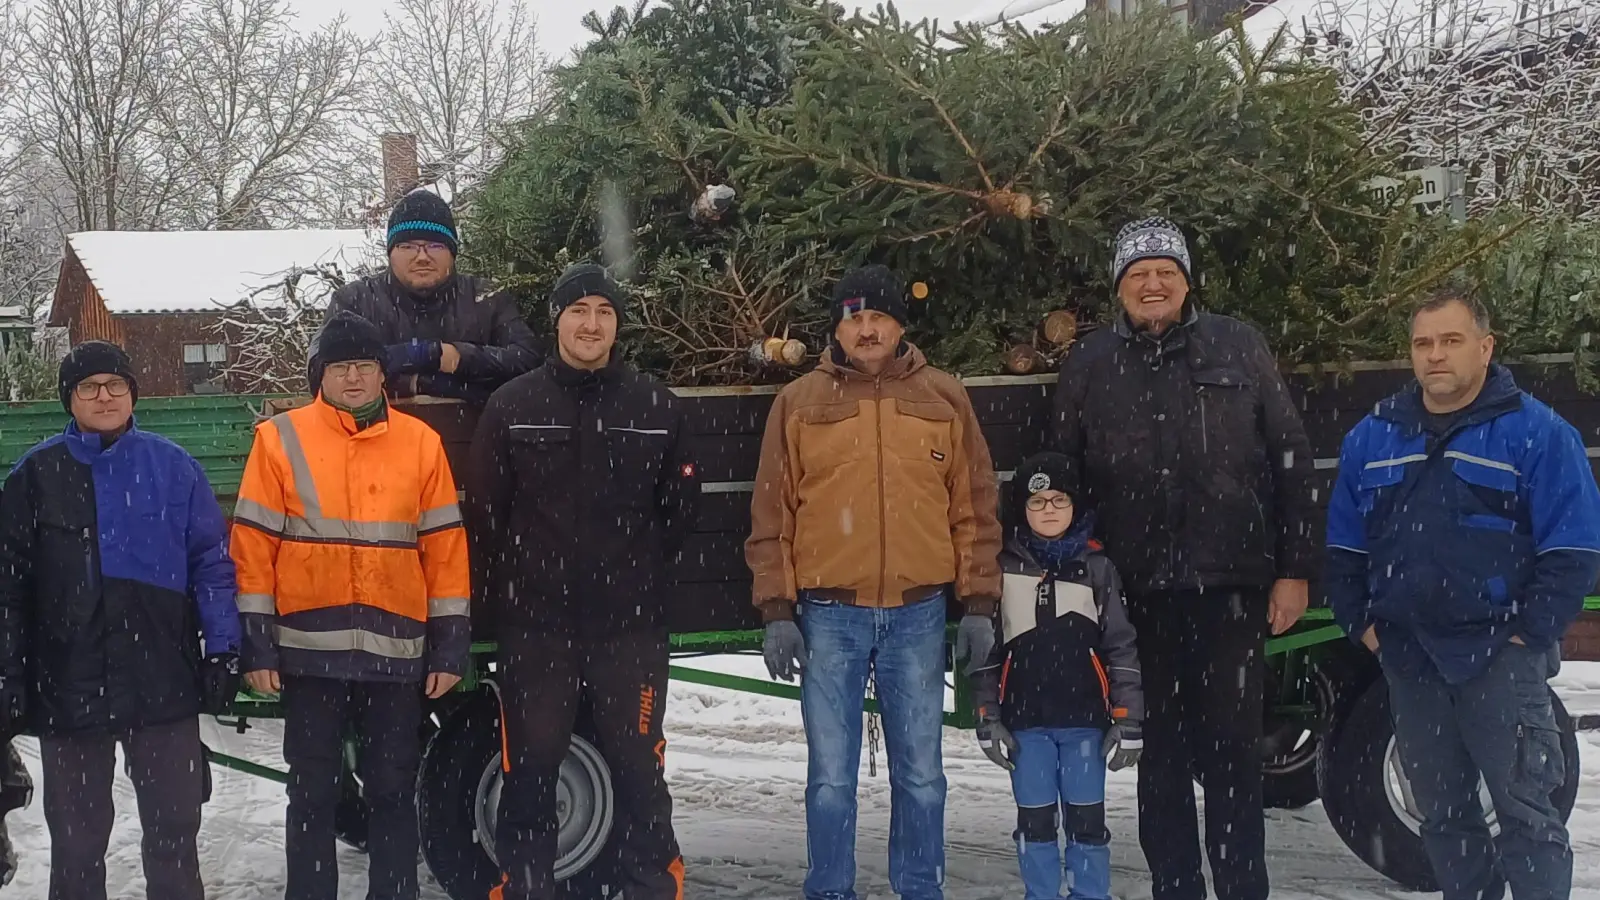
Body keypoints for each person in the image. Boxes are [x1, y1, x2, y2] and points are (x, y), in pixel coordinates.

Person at [1050, 217, 1317, 900]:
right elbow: (1063, 477)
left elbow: (1290, 458)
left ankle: (1240, 886)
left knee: (1233, 751)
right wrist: (1077, 580)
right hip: (1135, 595)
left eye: (1165, 270)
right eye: (1138, 274)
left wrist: (1294, 568)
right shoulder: (1089, 364)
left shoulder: (1238, 345)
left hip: (1230, 586)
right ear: (1120, 288)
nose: (1153, 283)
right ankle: (1176, 886)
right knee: (1158, 756)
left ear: (1187, 280)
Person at [1325, 285, 1600, 900]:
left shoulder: (1537, 434)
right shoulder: (1375, 437)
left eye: (1451, 341)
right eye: (1424, 343)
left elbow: (1574, 548)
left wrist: (1529, 633)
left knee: (1527, 816)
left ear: (1485, 346)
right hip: (1410, 659)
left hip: (1500, 658)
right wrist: (1363, 625)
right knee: (1444, 818)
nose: (1436, 355)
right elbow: (1344, 549)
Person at [746, 264, 1003, 900]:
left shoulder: (943, 397)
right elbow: (772, 513)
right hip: (830, 615)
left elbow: (973, 505)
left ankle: (920, 888)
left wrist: (977, 601)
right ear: (837, 327)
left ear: (899, 325)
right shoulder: (799, 403)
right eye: (854, 318)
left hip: (917, 615)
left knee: (922, 776)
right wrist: (778, 607)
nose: (867, 329)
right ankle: (830, 890)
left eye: (879, 317)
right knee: (831, 777)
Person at [469, 263, 698, 900]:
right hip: (537, 629)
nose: (591, 323)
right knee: (532, 771)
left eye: (603, 311)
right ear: (557, 319)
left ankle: (652, 887)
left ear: (617, 325)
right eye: (578, 310)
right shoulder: (513, 405)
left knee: (639, 769)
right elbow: (487, 513)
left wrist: (634, 578)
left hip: (630, 631)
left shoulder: (655, 405)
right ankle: (526, 888)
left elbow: (679, 509)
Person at [231, 311, 470, 900]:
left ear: (382, 374)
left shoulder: (421, 443)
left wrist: (449, 645)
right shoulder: (279, 438)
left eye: (365, 365)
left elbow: (444, 550)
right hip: (308, 654)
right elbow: (252, 548)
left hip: (395, 652)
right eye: (341, 367)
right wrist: (258, 642)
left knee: (392, 788)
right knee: (312, 791)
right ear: (321, 375)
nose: (355, 377)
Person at [0, 341, 241, 900]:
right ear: (70, 399)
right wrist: (7, 673)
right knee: (78, 848)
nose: (103, 395)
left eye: (115, 384)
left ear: (134, 393)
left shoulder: (173, 468)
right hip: (69, 688)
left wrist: (224, 647)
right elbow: (7, 588)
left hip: (162, 684)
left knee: (175, 838)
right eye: (89, 386)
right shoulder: (34, 476)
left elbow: (212, 564)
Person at [970, 452, 1143, 900]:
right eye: (1037, 501)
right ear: (1022, 509)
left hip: (1085, 723)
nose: (1048, 509)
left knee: (1087, 824)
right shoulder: (1003, 569)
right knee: (1036, 824)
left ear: (1076, 505)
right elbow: (987, 651)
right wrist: (988, 714)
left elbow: (1120, 644)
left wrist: (1128, 717)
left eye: (1059, 499)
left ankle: (1090, 894)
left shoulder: (1097, 568)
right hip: (1025, 726)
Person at [327, 189, 540, 404]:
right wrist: (421, 372)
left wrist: (458, 357)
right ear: (391, 253)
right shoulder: (354, 301)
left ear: (452, 252)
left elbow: (528, 360)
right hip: (374, 433)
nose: (422, 257)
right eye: (407, 246)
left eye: (435, 246)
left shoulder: (487, 297)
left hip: (474, 433)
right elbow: (325, 371)